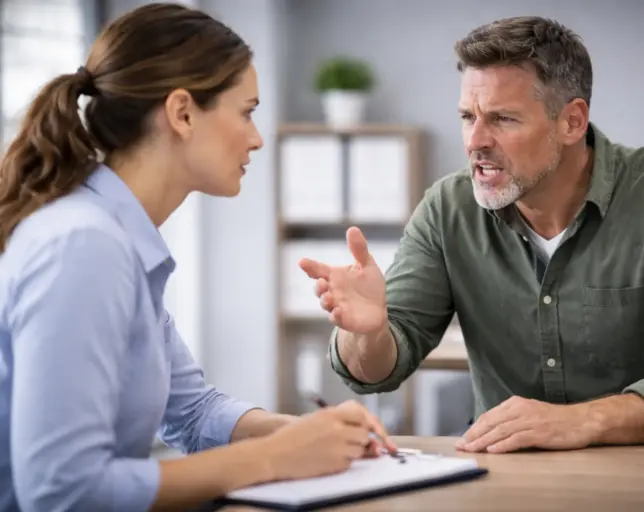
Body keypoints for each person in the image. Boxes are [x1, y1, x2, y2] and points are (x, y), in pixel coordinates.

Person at [299, 16, 644, 454]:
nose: (475, 140)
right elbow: (377, 371)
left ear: (571, 121)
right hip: (503, 479)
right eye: (467, 116)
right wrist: (368, 332)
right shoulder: (447, 209)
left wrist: (585, 421)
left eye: (502, 119)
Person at [0, 3, 396, 512]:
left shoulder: (119, 238)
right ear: (182, 112)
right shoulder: (85, 245)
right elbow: (64, 492)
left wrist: (307, 435)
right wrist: (276, 456)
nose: (256, 138)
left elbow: (191, 413)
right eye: (247, 112)